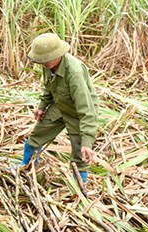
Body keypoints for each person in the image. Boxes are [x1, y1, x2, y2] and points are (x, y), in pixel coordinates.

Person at [18, 33, 99, 185]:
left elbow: (87, 110)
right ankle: (26, 167)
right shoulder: (48, 65)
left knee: (80, 152)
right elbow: (49, 87)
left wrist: (87, 142)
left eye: (45, 60)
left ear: (57, 54)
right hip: (59, 105)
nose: (42, 63)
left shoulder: (74, 73)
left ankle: (80, 187)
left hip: (77, 112)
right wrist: (42, 106)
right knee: (37, 135)